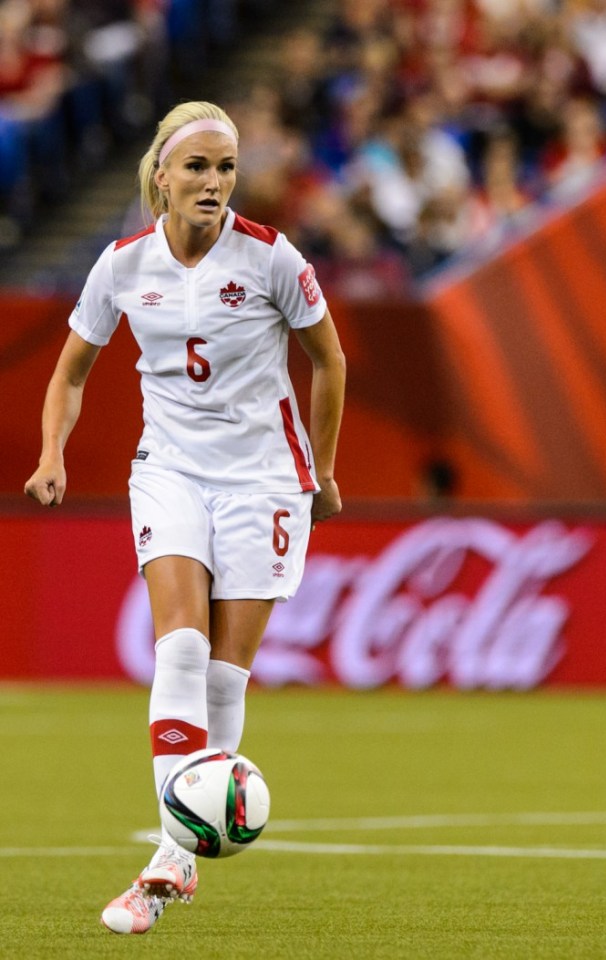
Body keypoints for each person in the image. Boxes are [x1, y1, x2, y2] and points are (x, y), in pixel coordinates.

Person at [24, 98, 346, 934]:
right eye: (197, 167)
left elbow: (329, 358)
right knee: (181, 644)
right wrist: (52, 453)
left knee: (223, 678)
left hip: (266, 480)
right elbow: (69, 374)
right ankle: (172, 857)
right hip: (168, 469)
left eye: (226, 168)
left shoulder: (273, 258)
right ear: (161, 177)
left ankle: (171, 854)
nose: (214, 182)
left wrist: (326, 465)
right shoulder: (122, 267)